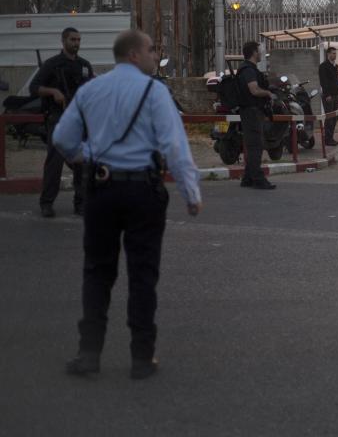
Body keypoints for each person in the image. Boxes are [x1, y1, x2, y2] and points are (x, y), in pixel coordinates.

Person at [52, 29, 202, 379]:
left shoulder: (91, 89)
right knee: (142, 275)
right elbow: (174, 147)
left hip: (101, 190)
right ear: (134, 54)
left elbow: (62, 138)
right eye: (151, 50)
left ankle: (89, 354)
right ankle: (141, 358)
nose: (155, 55)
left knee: (97, 273)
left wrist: (87, 155)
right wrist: (191, 194)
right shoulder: (155, 92)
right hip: (143, 192)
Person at [31, 27, 95, 218]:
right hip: (58, 118)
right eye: (72, 39)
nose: (76, 43)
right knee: (55, 162)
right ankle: (47, 203)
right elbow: (34, 88)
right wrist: (53, 92)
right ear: (63, 41)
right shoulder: (52, 65)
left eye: (78, 40)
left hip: (79, 120)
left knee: (81, 164)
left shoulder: (84, 65)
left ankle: (81, 204)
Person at [236, 42, 276, 190]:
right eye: (259, 51)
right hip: (251, 111)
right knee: (256, 146)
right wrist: (268, 93)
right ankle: (258, 179)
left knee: (253, 144)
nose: (261, 54)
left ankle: (247, 178)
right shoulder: (248, 70)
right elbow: (254, 90)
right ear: (254, 52)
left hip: (250, 111)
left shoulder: (247, 69)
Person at [318, 46, 338, 145]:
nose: (334, 55)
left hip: (335, 95)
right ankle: (327, 139)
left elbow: (336, 81)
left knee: (334, 117)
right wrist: (327, 94)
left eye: (335, 53)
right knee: (329, 117)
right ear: (328, 54)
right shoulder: (324, 66)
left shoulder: (335, 66)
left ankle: (330, 138)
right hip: (329, 96)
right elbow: (323, 81)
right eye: (333, 53)